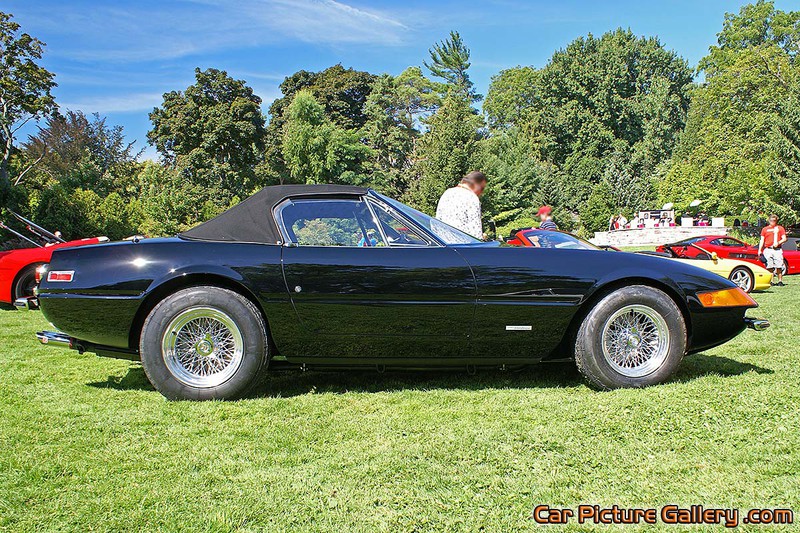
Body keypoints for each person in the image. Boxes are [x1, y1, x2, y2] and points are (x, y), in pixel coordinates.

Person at [435, 170, 487, 239]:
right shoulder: (471, 198)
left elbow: (437, 221)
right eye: (482, 188)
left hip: (442, 241)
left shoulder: (447, 193)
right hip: (462, 243)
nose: (481, 193)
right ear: (477, 185)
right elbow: (476, 231)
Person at [758, 214, 788, 286]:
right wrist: (760, 250)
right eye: (771, 220)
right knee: (769, 266)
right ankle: (771, 281)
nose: (773, 222)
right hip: (768, 249)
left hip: (777, 250)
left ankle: (780, 281)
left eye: (774, 220)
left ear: (776, 221)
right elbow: (762, 240)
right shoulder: (765, 229)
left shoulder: (780, 228)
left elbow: (784, 238)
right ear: (769, 220)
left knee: (779, 266)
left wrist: (778, 243)